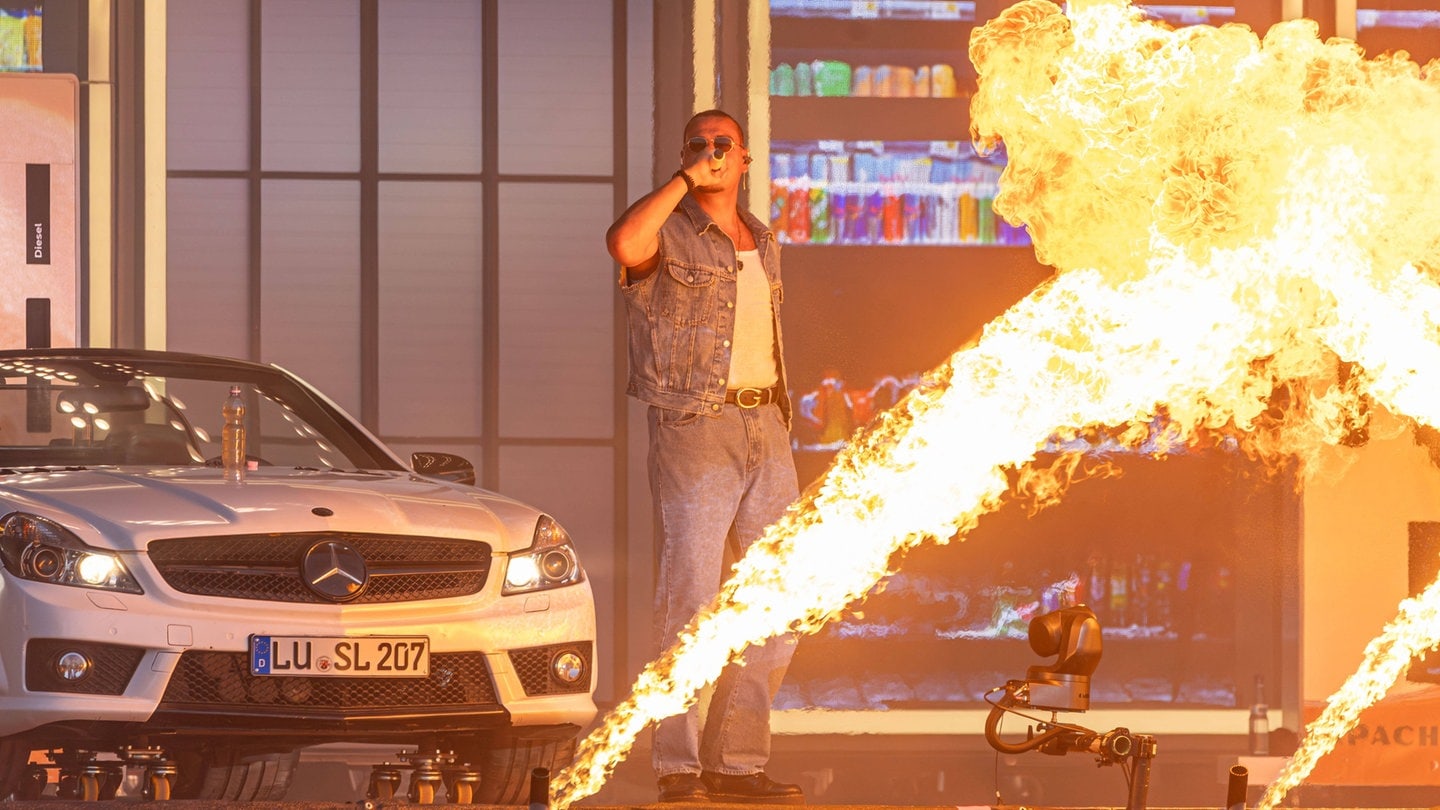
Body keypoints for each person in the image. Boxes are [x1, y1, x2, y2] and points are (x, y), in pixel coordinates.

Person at [605, 109, 804, 805]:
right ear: (687, 156)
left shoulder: (766, 239)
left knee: (777, 599)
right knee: (690, 598)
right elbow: (623, 242)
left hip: (767, 426)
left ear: (746, 158)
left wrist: (780, 417)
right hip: (697, 424)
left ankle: (738, 762)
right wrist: (683, 180)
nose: (714, 153)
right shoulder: (671, 232)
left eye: (725, 145)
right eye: (701, 145)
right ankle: (678, 765)